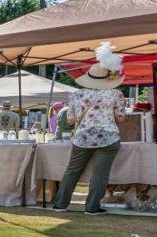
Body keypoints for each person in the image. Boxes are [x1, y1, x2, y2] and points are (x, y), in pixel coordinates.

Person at [53, 42, 127, 214]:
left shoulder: (76, 95)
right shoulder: (115, 94)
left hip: (82, 137)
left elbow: (70, 121)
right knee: (100, 174)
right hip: (108, 138)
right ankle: (92, 207)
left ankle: (60, 205)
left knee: (72, 171)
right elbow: (121, 118)